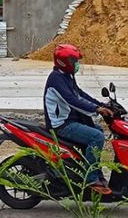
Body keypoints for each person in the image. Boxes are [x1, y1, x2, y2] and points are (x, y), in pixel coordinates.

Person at [43, 44, 114, 194]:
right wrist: (96, 109)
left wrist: (101, 104)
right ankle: (91, 178)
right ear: (64, 62)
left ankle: (91, 168)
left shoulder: (66, 76)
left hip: (70, 120)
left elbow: (80, 94)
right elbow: (72, 100)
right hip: (61, 124)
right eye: (74, 61)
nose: (77, 64)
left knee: (98, 130)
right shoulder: (56, 78)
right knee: (97, 136)